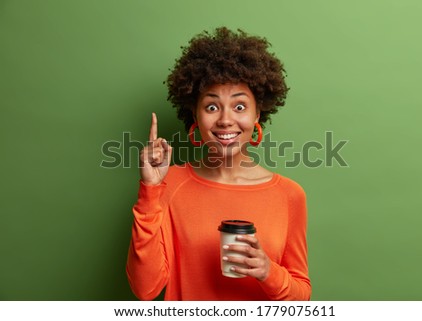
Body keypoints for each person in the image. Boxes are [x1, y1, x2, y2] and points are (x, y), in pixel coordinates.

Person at [126, 27, 311, 300]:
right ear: (195, 116)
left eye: (239, 106)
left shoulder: (289, 195)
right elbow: (146, 290)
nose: (225, 120)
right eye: (212, 107)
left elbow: (302, 297)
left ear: (258, 113)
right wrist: (150, 189)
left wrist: (266, 271)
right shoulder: (169, 184)